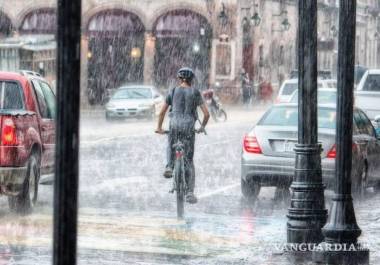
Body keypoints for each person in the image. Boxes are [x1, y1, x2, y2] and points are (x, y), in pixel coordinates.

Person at [155, 67, 210, 204]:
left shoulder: (173, 91)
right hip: (188, 128)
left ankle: (169, 166)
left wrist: (159, 127)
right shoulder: (195, 92)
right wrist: (201, 127)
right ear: (192, 80)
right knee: (189, 161)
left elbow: (162, 112)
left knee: (170, 145)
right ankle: (190, 192)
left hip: (174, 126)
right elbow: (207, 114)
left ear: (179, 79)